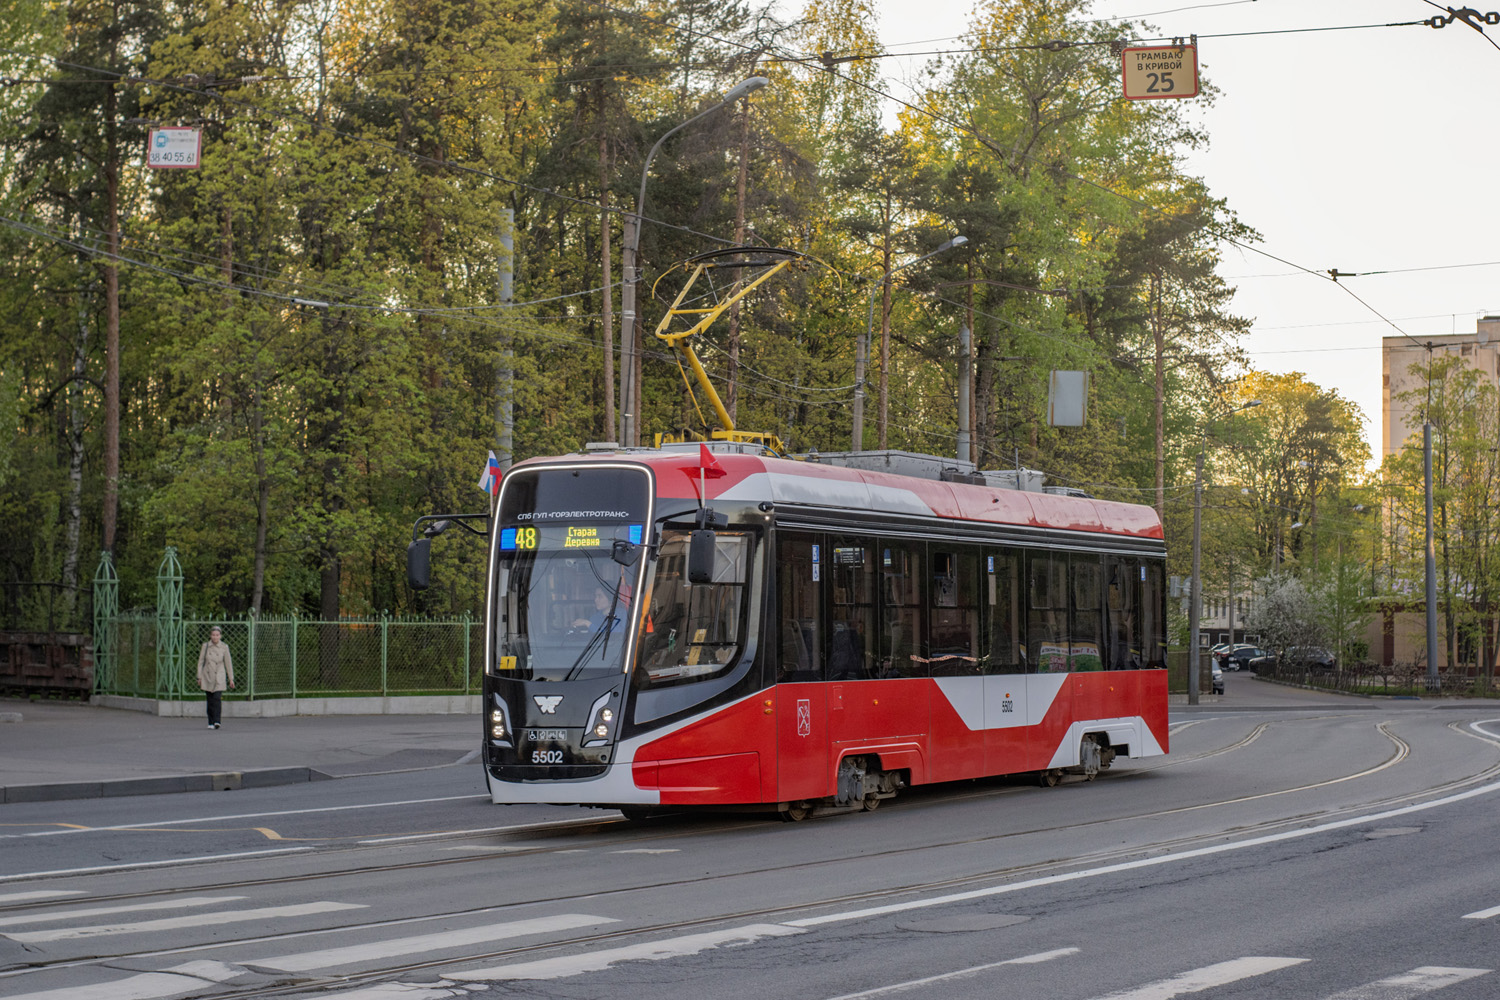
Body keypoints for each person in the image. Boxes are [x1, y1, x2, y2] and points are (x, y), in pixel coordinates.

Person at [197, 626, 235, 729]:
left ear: (220, 636)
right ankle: (210, 722)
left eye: (217, 635)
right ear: (210, 635)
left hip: (219, 676)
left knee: (217, 698)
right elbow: (201, 662)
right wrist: (199, 677)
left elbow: (228, 663)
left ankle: (217, 721)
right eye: (213, 635)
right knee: (210, 700)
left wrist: (231, 678)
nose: (215, 637)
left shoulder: (224, 647)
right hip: (207, 675)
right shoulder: (205, 646)